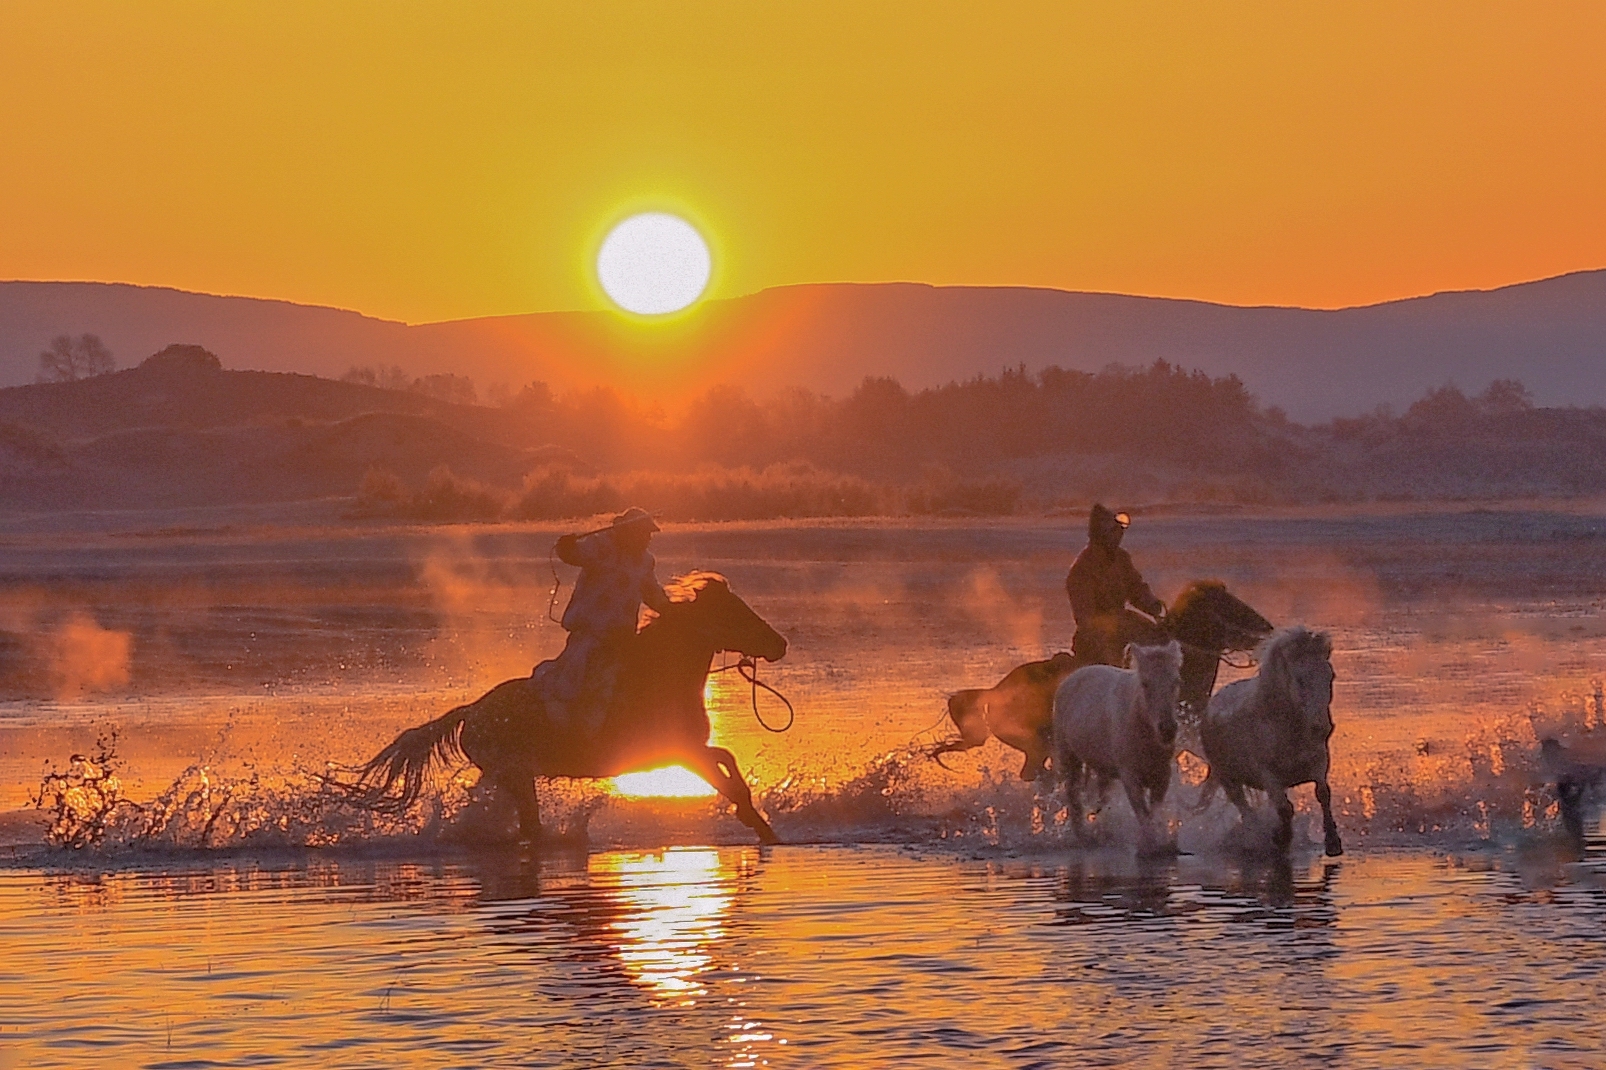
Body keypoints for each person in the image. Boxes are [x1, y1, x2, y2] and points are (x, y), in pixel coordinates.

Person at [532, 507, 672, 742]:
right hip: (590, 635)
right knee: (577, 685)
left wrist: (675, 611)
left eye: (649, 535)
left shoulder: (645, 561)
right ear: (631, 532)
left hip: (622, 639)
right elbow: (573, 555)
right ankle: (578, 735)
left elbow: (653, 594)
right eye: (644, 533)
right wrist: (566, 547)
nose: (648, 539)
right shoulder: (602, 546)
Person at [1065, 503, 1168, 666]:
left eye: (1120, 533)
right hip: (1096, 638)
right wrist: (1113, 626)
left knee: (1162, 640)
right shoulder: (1082, 570)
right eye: (1114, 533)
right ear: (1102, 536)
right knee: (1114, 665)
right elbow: (1086, 618)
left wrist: (1153, 605)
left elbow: (1136, 588)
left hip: (1124, 624)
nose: (1119, 537)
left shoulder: (1121, 559)